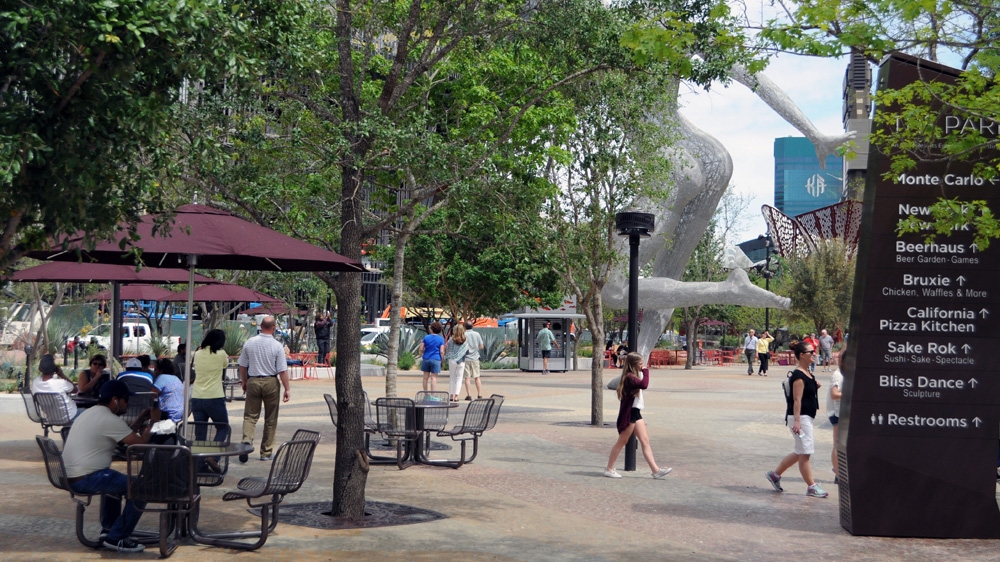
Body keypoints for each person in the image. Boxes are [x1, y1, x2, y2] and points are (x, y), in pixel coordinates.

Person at [62, 379, 161, 553]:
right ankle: (117, 537)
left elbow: (124, 434)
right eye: (126, 400)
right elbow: (140, 444)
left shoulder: (91, 413)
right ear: (115, 400)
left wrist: (140, 419)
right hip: (85, 478)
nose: (128, 404)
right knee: (141, 487)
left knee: (114, 480)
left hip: (74, 475)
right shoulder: (108, 419)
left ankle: (109, 529)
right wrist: (153, 422)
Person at [765, 341, 828, 498]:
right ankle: (811, 486)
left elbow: (807, 391)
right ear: (802, 355)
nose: (814, 354)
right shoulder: (798, 375)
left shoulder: (807, 373)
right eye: (811, 352)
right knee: (805, 453)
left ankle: (775, 474)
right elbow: (797, 399)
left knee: (800, 451)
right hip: (801, 417)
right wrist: (798, 422)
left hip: (806, 417)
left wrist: (815, 385)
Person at [604, 352, 672, 479]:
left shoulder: (634, 375)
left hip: (636, 412)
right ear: (634, 364)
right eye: (640, 363)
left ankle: (656, 470)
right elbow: (644, 385)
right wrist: (646, 371)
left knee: (645, 440)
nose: (643, 365)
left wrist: (643, 371)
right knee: (622, 441)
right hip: (629, 413)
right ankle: (609, 468)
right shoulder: (629, 377)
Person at [238, 316, 290, 463]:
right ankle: (266, 452)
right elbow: (282, 370)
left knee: (250, 416)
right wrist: (287, 388)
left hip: (253, 380)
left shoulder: (250, 343)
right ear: (273, 327)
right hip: (271, 381)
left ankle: (246, 441)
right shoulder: (277, 345)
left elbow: (242, 365)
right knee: (271, 418)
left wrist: (244, 381)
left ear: (260, 326)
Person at [192, 329, 230, 472]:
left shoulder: (197, 354)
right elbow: (226, 365)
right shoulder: (221, 354)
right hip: (214, 396)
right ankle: (213, 457)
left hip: (197, 397)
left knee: (200, 433)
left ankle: (200, 465)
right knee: (223, 427)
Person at [31, 354, 80, 421]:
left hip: (51, 418)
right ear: (54, 369)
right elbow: (75, 389)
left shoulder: (35, 383)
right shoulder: (61, 383)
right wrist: (61, 374)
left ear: (39, 369)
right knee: (88, 413)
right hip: (70, 416)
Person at [828, 344, 844, 484]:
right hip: (837, 413)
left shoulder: (847, 373)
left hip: (843, 412)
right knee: (837, 444)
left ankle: (839, 472)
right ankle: (838, 474)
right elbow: (834, 394)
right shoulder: (838, 374)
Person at [152, 358, 184, 423]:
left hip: (168, 413)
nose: (154, 372)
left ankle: (134, 429)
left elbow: (151, 394)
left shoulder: (162, 377)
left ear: (161, 370)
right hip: (179, 413)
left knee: (147, 412)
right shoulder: (176, 379)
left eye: (156, 369)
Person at [418, 321, 446, 391]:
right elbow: (442, 351)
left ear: (431, 329)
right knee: (434, 378)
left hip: (426, 358)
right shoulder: (441, 339)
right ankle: (432, 395)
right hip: (436, 359)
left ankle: (425, 393)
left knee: (425, 377)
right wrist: (442, 361)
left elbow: (421, 348)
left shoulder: (426, 337)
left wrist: (420, 354)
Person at [445, 323, 469, 402]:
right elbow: (466, 350)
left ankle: (451, 395)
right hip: (461, 361)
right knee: (459, 379)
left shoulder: (451, 339)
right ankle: (456, 396)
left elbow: (449, 349)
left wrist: (449, 357)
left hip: (452, 360)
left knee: (452, 378)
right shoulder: (465, 339)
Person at [462, 320, 485, 400]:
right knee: (477, 377)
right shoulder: (477, 334)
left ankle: (469, 395)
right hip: (475, 357)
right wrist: (475, 348)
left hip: (466, 358)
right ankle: (479, 394)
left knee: (467, 377)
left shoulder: (463, 335)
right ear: (472, 326)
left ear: (464, 327)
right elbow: (481, 346)